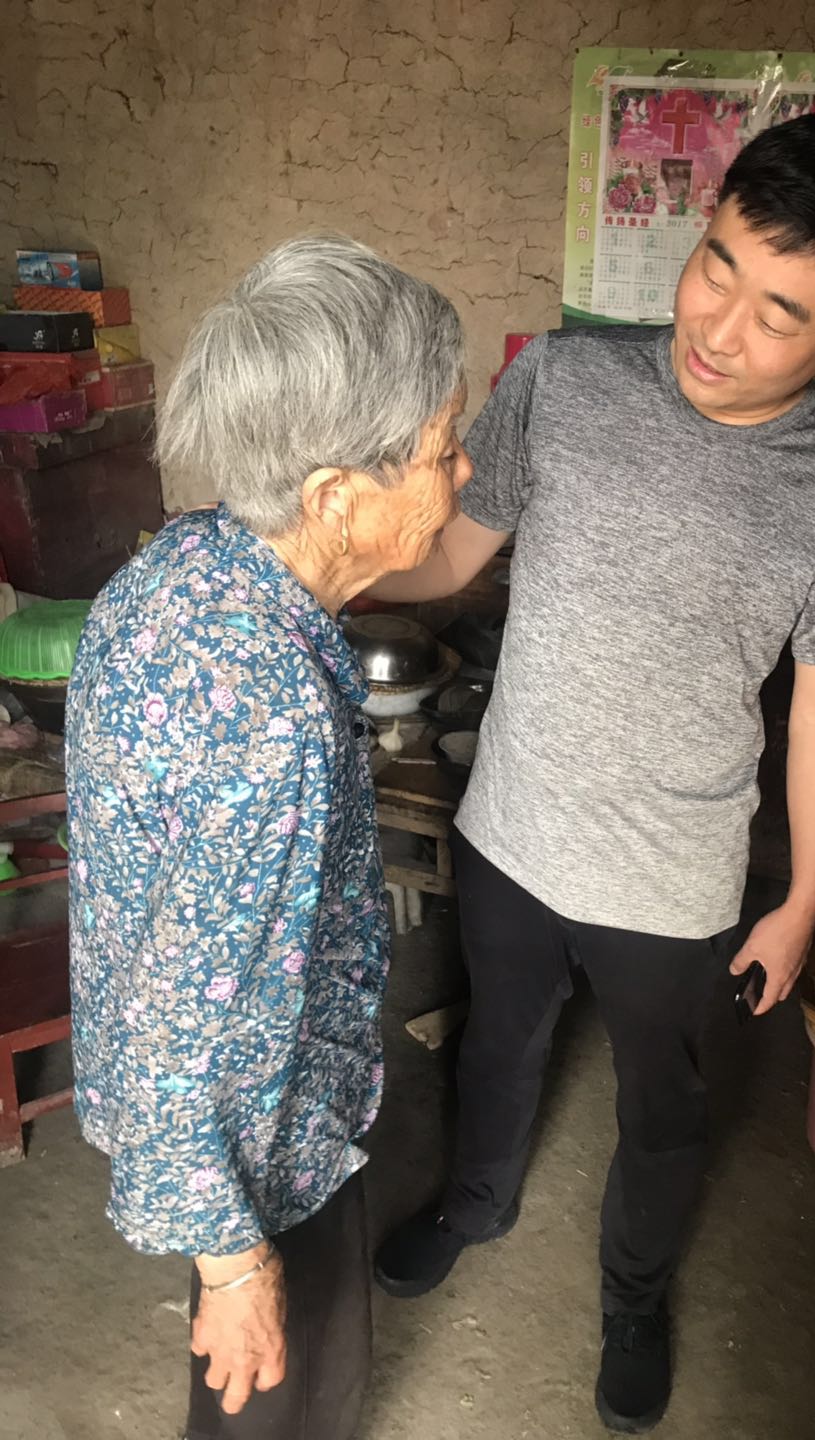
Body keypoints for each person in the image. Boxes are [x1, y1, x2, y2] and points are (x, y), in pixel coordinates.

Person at [371, 113, 815, 1432]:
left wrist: (801, 901)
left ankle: (633, 1294)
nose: (719, 327)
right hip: (510, 827)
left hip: (672, 882)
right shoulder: (562, 382)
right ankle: (475, 1204)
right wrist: (317, 562)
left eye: (779, 314)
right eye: (715, 266)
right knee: (497, 1045)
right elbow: (453, 557)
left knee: (663, 1110)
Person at [64, 234, 471, 1440]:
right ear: (336, 496)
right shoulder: (267, 727)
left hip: (260, 1089)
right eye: (443, 449)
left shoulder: (191, 559)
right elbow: (171, 1029)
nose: (459, 472)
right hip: (257, 1134)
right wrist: (233, 1265)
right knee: (279, 1393)